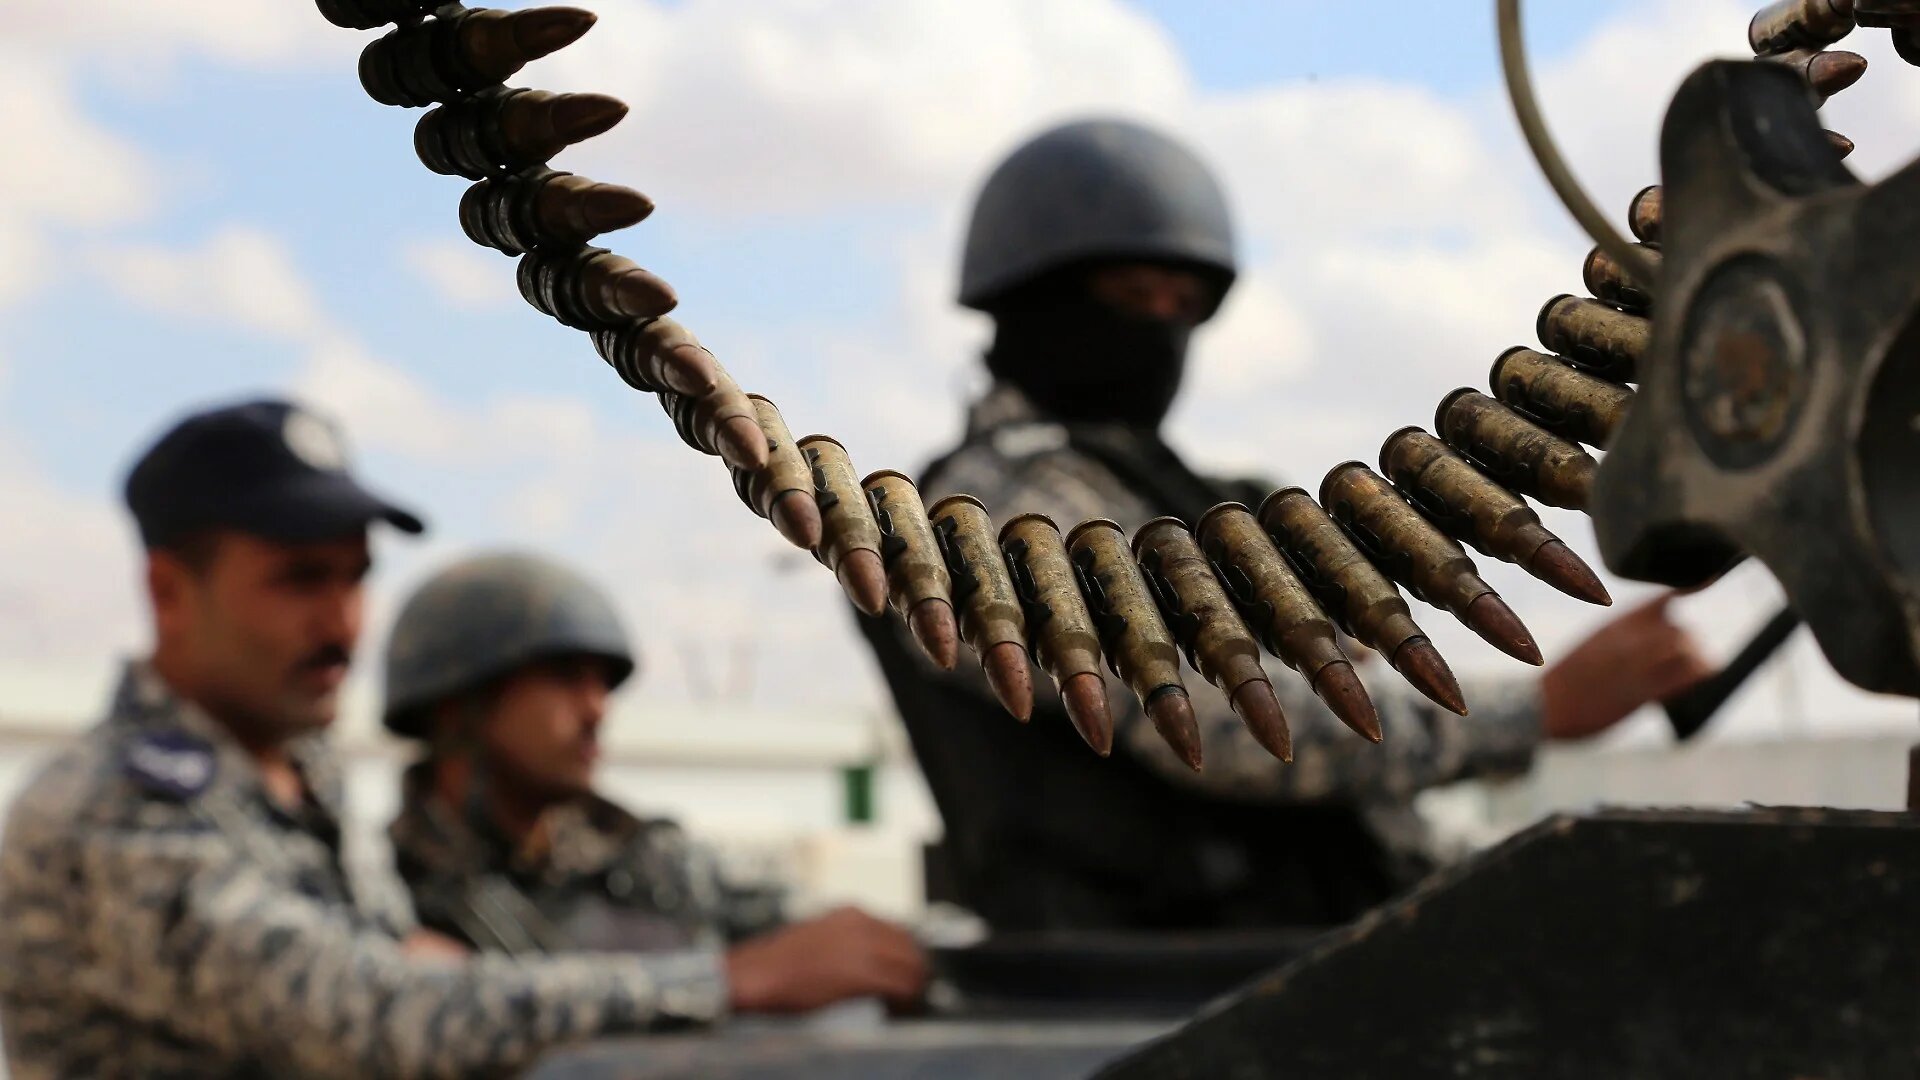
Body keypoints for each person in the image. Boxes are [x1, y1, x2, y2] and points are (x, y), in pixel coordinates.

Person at [858, 118, 1715, 933]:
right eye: (1127, 296)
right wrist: (1535, 712)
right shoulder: (982, 511)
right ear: (1031, 301)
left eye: (1181, 304)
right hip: (1150, 978)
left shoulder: (1166, 494)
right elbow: (1216, 722)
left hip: (1286, 948)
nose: (1158, 328)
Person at [0, 398, 917, 1080]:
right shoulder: (112, 814)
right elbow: (369, 1013)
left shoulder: (291, 778)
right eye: (299, 580)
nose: (342, 621)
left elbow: (411, 971)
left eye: (356, 579)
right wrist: (733, 980)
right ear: (169, 591)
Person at [381, 551, 926, 1007]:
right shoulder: (382, 891)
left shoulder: (643, 863)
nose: (597, 709)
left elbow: (804, 930)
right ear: (457, 709)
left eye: (602, 684)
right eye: (565, 678)